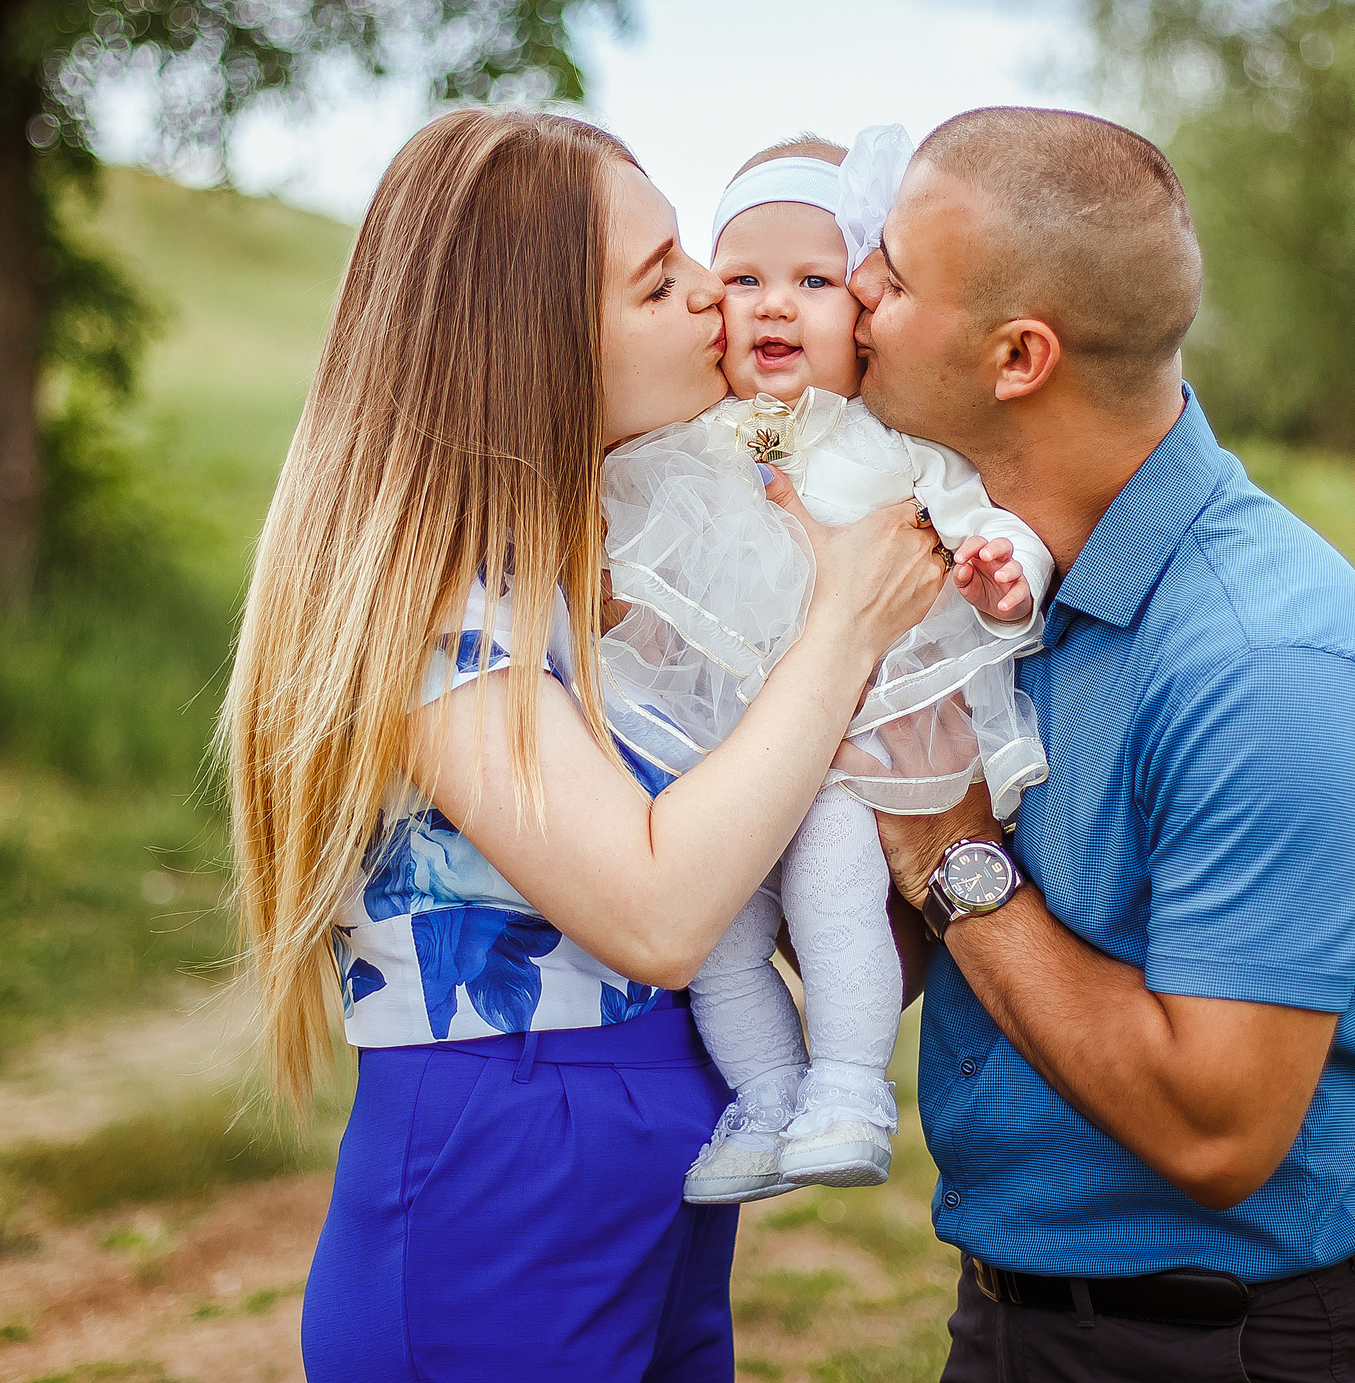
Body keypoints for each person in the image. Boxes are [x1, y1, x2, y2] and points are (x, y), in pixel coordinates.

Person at [222, 109, 948, 1383]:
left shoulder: (603, 569)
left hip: (655, 1145)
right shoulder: (433, 606)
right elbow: (660, 915)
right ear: (537, 339)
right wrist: (843, 624)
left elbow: (760, 882)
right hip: (506, 1167)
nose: (711, 301)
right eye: (660, 279)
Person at [848, 107, 1355, 1382]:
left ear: (1018, 357)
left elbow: (1217, 1129)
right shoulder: (986, 576)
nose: (854, 289)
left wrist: (954, 853)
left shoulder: (1269, 663)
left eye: (892, 274)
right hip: (1011, 1317)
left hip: (1223, 1347)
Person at [598, 128, 1052, 1207]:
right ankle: (764, 1097)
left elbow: (985, 515)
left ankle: (849, 1089)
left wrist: (1007, 568)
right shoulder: (700, 438)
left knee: (838, 889)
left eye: (810, 281)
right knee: (714, 935)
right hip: (731, 750)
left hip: (860, 745)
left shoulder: (892, 448)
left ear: (863, 315)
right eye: (741, 279)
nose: (769, 305)